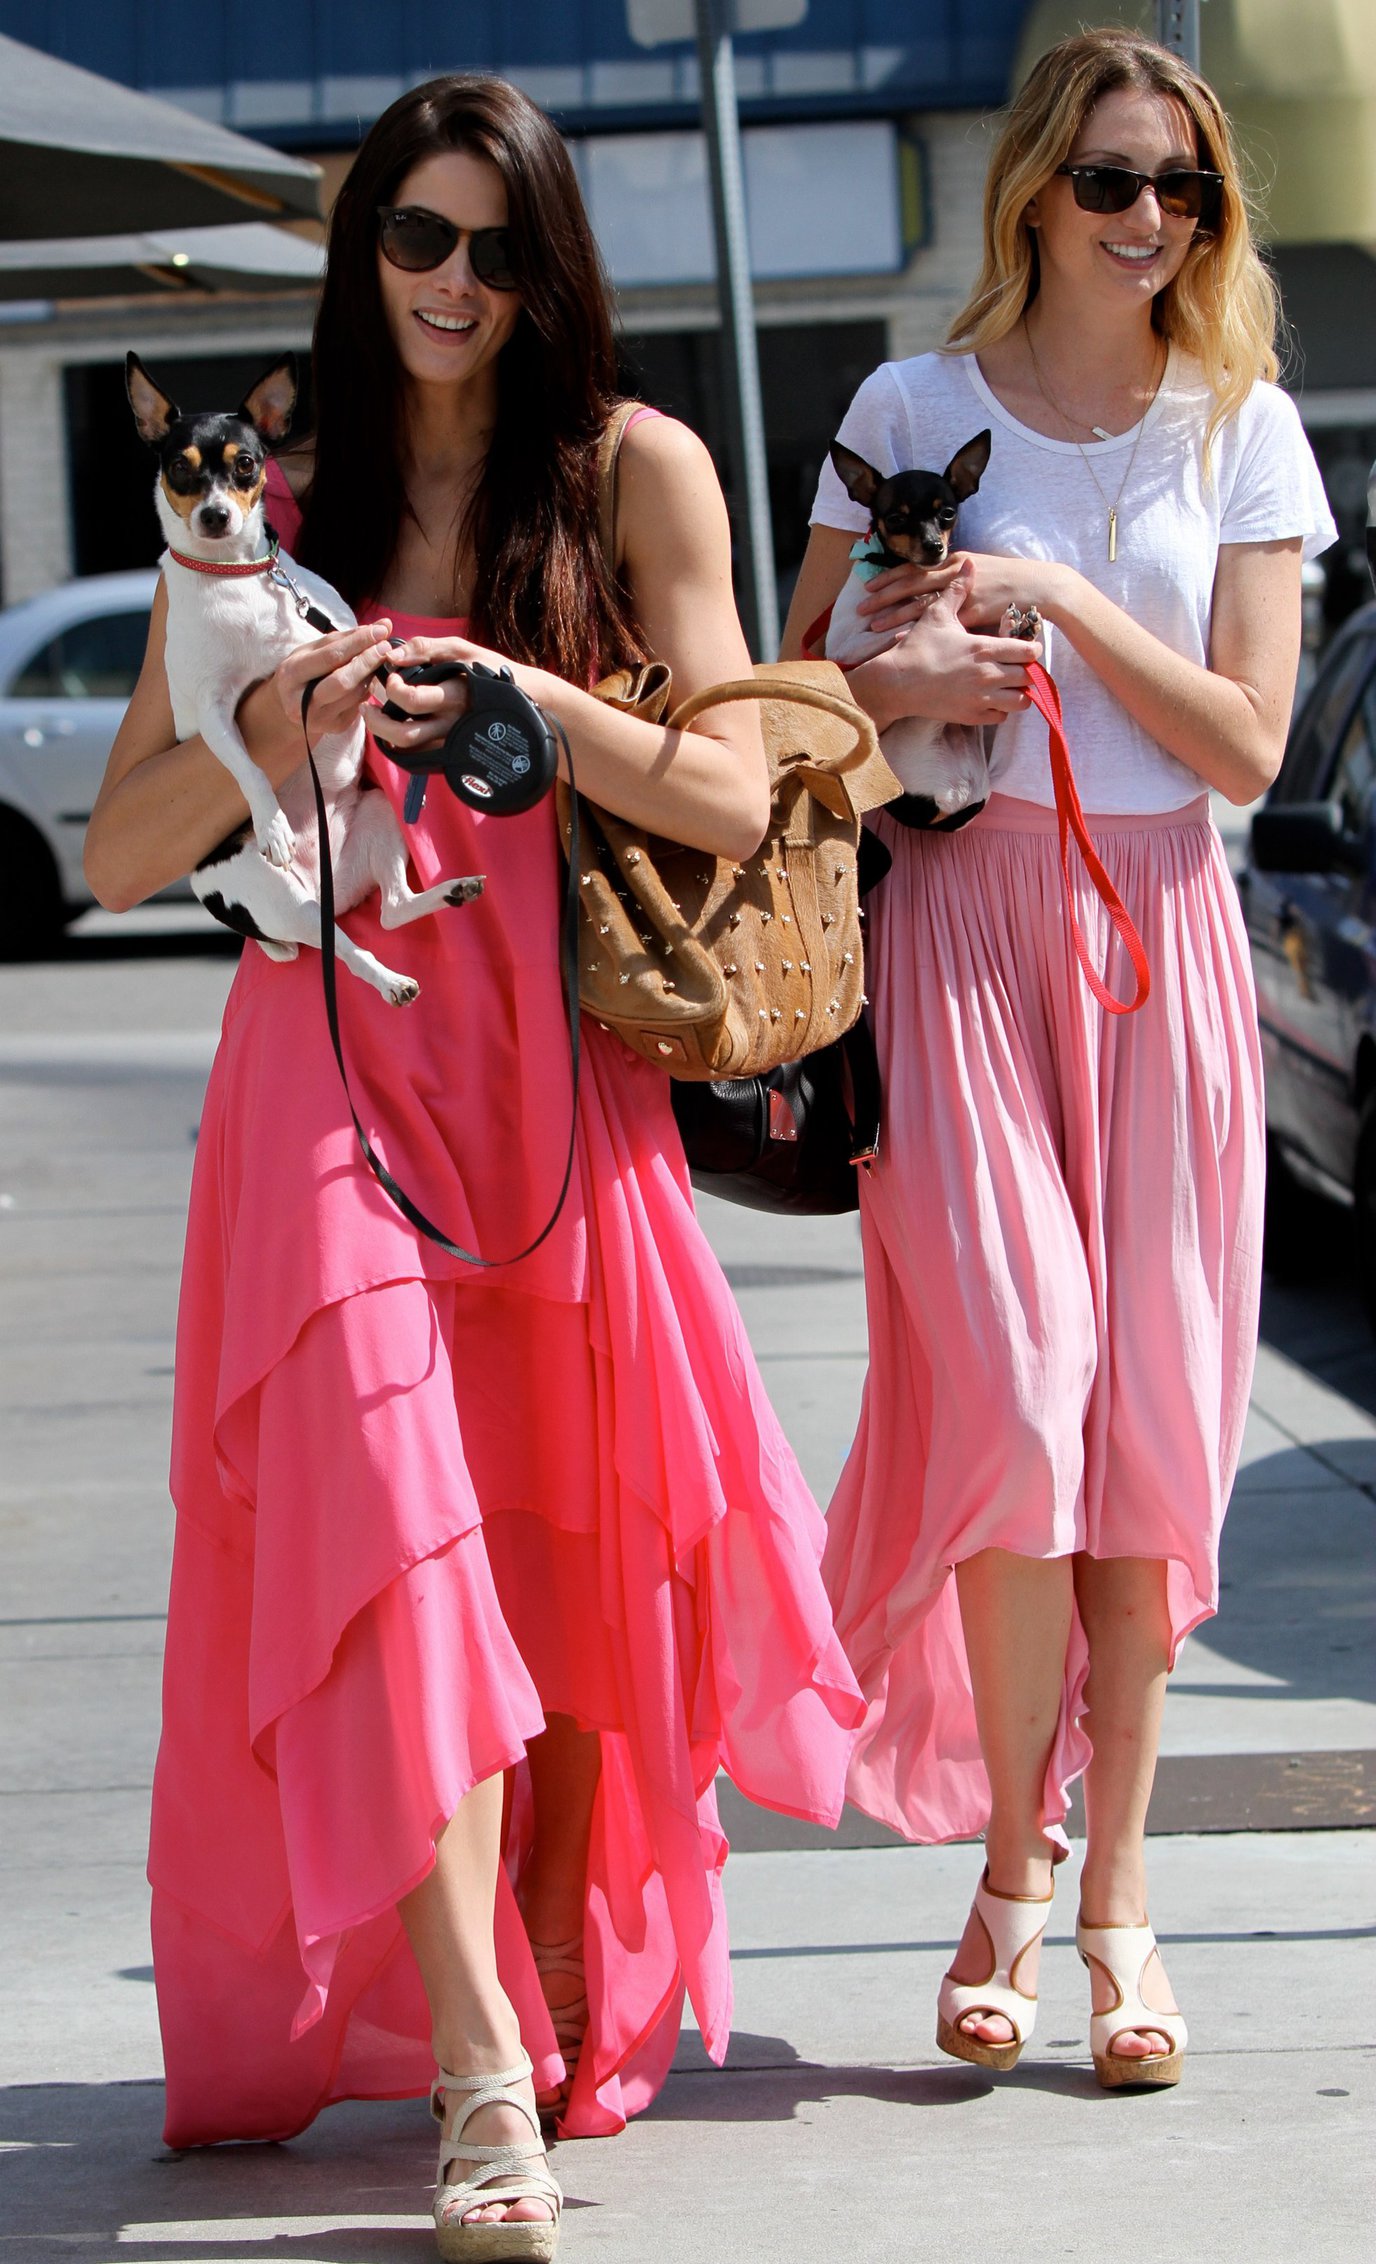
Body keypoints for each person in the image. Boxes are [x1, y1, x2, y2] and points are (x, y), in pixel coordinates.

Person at [86, 74, 863, 2256]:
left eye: (493, 249)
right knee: (385, 1527)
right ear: (363, 259)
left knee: (551, 1539)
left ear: (545, 272)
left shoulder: (632, 469)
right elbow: (122, 847)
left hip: (550, 1072)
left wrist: (520, 690)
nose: (450, 282)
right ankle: (474, 2066)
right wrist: (275, 724)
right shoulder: (268, 506)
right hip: (324, 1064)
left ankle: (543, 1950)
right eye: (414, 240)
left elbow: (735, 793)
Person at [782, 27, 1335, 2090]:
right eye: (1111, 179)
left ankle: (1111, 1900)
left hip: (1160, 938)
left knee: (1147, 1444)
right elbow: (784, 695)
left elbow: (1250, 743)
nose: (1148, 217)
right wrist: (909, 663)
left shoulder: (1241, 425)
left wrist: (1057, 601)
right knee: (1018, 1399)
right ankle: (1008, 1864)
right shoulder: (907, 408)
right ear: (1034, 188)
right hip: (957, 927)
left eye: (1184, 186)